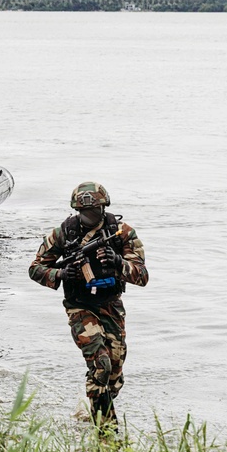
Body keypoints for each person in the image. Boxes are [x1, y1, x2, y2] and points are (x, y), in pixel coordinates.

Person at [28, 182, 148, 430]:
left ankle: (94, 406)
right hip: (79, 305)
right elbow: (35, 268)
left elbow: (142, 276)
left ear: (103, 208)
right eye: (84, 213)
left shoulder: (122, 233)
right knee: (100, 364)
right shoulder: (64, 233)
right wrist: (61, 273)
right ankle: (106, 431)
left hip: (110, 304)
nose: (89, 217)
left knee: (114, 374)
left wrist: (117, 262)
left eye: (94, 212)